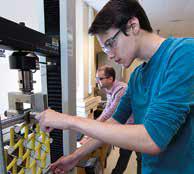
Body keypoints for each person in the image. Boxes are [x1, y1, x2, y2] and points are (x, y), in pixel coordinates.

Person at [36, 0, 194, 173]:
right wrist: (75, 156)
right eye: (105, 49)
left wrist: (69, 120)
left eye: (111, 43)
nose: (110, 55)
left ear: (133, 25)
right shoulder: (136, 77)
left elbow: (153, 139)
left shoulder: (183, 53)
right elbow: (114, 122)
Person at [80, 65, 141, 174]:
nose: (97, 81)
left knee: (141, 158)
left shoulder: (121, 90)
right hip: (126, 128)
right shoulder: (110, 90)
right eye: (96, 78)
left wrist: (90, 132)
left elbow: (110, 113)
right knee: (124, 156)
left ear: (110, 79)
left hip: (135, 127)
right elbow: (106, 110)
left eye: (100, 78)